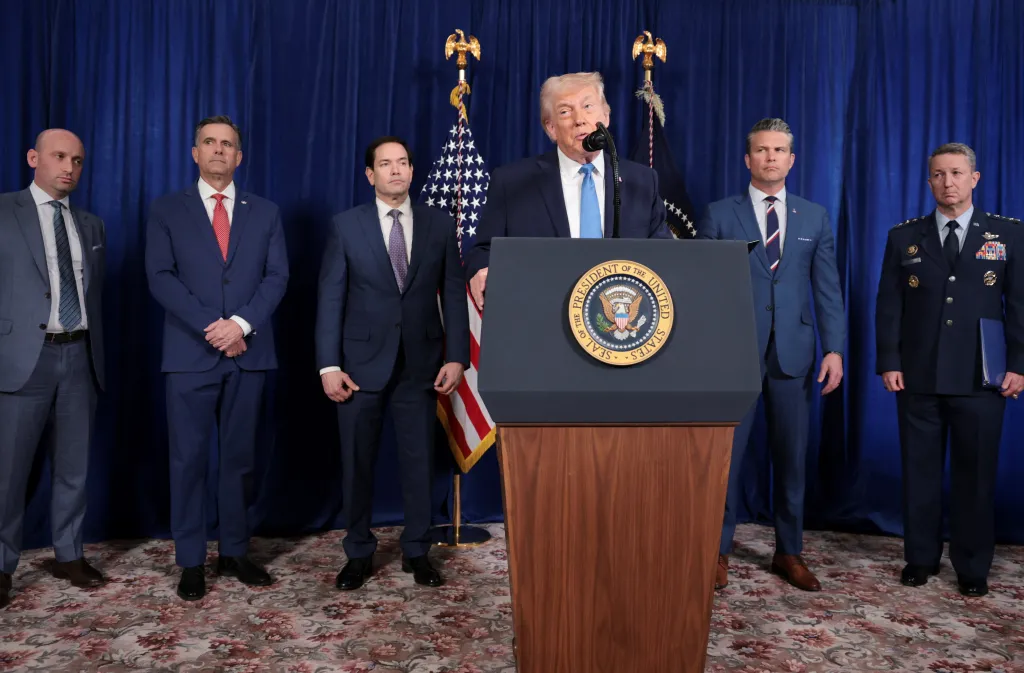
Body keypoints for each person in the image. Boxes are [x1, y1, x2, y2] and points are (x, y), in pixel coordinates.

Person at [697, 117, 846, 592]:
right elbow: (704, 291)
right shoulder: (719, 215)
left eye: (780, 150)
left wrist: (835, 349)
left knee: (791, 457)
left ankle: (789, 550)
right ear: (748, 158)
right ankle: (716, 550)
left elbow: (827, 290)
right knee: (727, 459)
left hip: (795, 356)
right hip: (734, 355)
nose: (771, 158)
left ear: (791, 159)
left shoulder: (814, 216)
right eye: (762, 150)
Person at [145, 115, 289, 601]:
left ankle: (234, 551)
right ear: (195, 152)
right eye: (210, 142)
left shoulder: (265, 212)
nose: (219, 151)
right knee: (187, 461)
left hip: (249, 355)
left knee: (240, 461)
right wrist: (217, 328)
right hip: (190, 355)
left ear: (239, 156)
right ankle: (191, 561)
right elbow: (161, 277)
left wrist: (241, 325)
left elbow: (277, 277)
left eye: (228, 144)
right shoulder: (167, 209)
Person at [316, 136, 469, 590]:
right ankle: (358, 553)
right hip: (359, 368)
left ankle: (417, 551)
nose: (396, 171)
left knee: (419, 462)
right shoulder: (345, 226)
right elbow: (330, 298)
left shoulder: (440, 224)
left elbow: (455, 293)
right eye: (386, 164)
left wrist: (457, 355)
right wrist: (328, 365)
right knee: (357, 463)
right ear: (370, 174)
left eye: (403, 162)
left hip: (421, 365)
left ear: (412, 170)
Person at [875, 142, 1023, 598]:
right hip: (918, 375)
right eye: (938, 174)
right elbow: (889, 305)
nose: (948, 182)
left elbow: (1019, 306)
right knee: (919, 472)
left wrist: (1018, 365)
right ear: (929, 181)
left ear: (974, 178)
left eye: (957, 173)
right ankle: (920, 558)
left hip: (983, 378)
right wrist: (889, 361)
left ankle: (972, 565)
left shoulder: (1008, 234)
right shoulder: (905, 236)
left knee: (975, 476)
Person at [0, 129, 108, 608]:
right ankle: (2, 564)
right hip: (24, 358)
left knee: (73, 467)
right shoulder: (4, 211)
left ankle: (68, 553)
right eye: (60, 156)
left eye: (78, 160)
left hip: (79, 355)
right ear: (33, 158)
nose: (69, 167)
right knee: (8, 472)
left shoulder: (92, 224)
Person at [464, 71, 670, 308]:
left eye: (588, 106)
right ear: (551, 128)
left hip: (620, 321)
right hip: (541, 314)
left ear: (606, 115)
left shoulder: (642, 181)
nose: (579, 119)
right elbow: (483, 251)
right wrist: (482, 268)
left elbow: (664, 255)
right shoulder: (512, 183)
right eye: (565, 111)